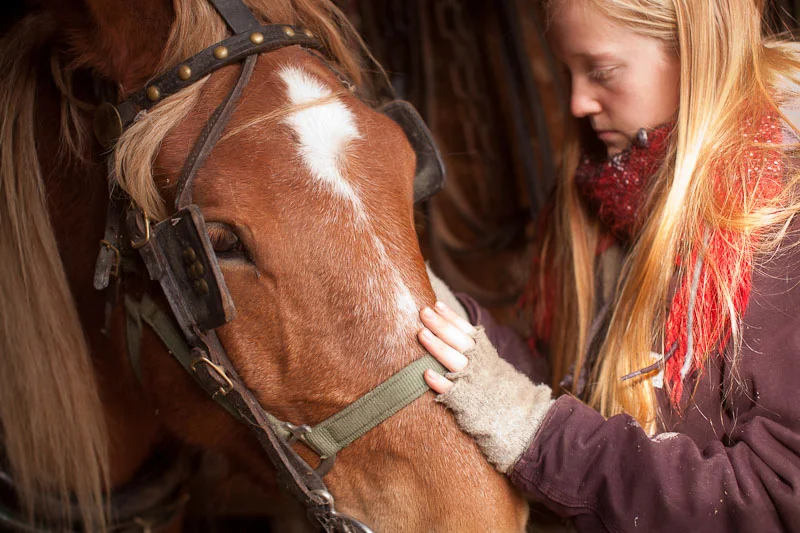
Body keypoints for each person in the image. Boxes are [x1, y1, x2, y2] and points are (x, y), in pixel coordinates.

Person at [418, 0, 800, 531]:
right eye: (567, 72)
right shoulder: (617, 202)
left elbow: (776, 498)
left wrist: (533, 433)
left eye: (600, 71)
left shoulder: (783, 220)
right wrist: (442, 314)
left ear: (694, 53)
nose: (576, 102)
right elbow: (578, 395)